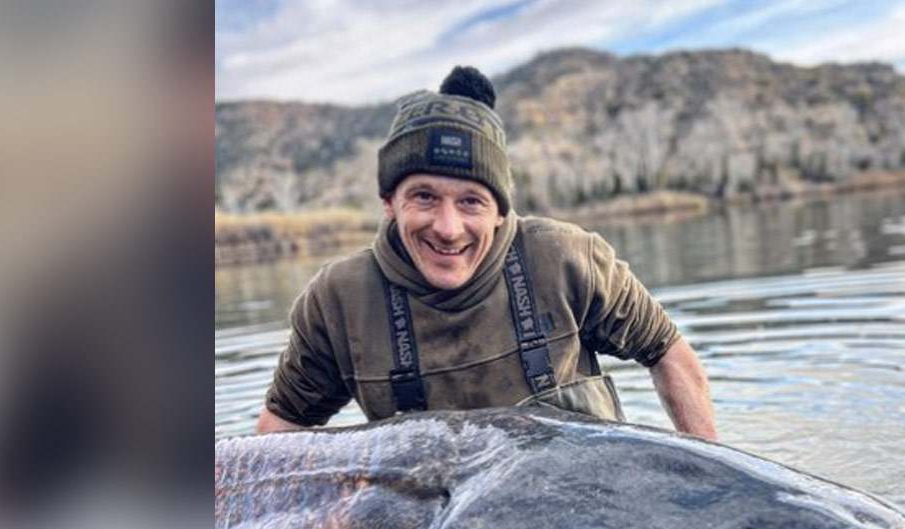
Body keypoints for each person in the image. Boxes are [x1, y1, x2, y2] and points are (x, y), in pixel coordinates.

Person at [254, 66, 716, 440]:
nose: (449, 228)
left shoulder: (565, 258)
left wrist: (716, 484)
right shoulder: (338, 301)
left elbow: (668, 353)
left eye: (471, 201)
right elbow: (281, 428)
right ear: (389, 202)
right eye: (424, 197)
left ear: (499, 211)